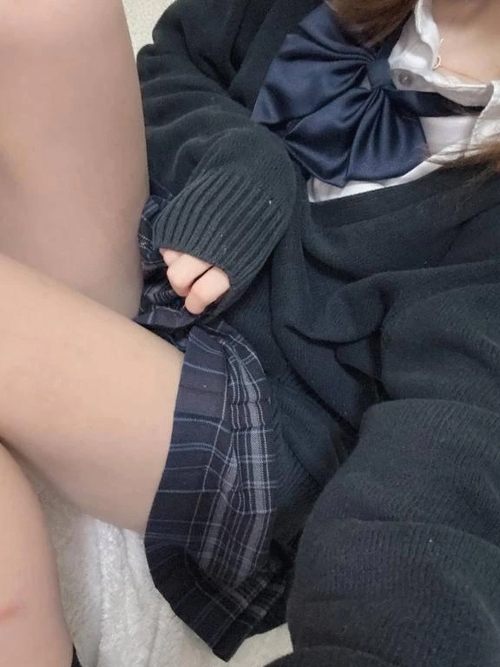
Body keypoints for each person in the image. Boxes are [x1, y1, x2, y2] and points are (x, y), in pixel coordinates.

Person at [0, 0, 500, 665]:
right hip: (165, 241)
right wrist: (241, 162)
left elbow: (444, 479)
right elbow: (177, 63)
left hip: (275, 418)